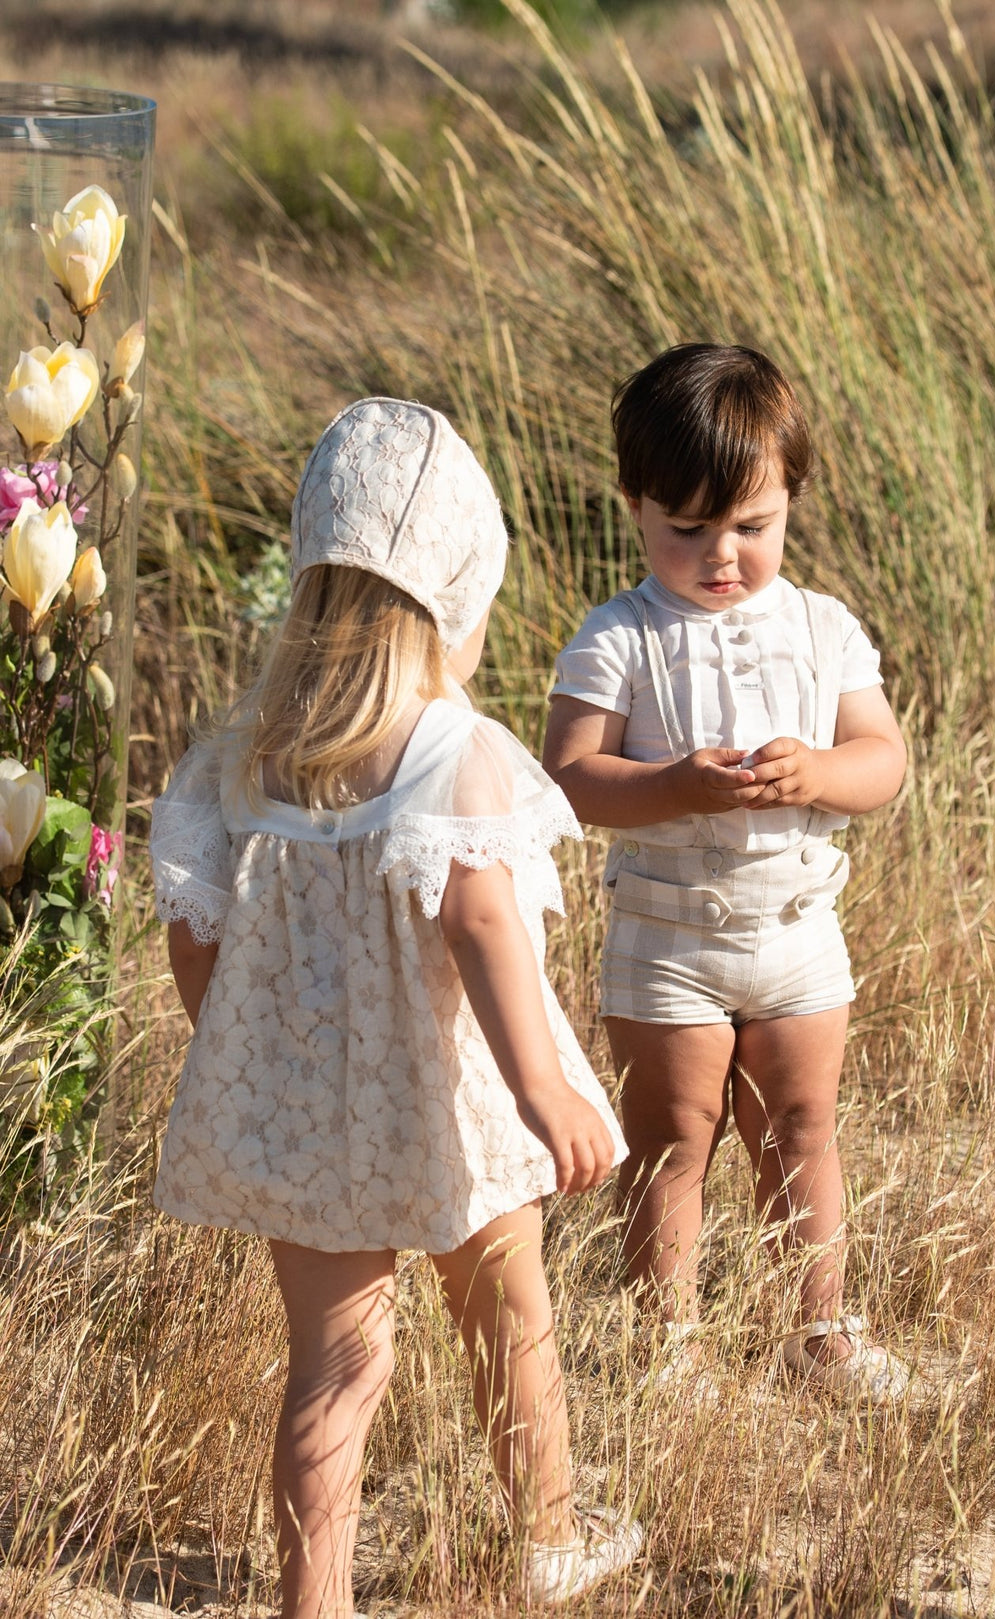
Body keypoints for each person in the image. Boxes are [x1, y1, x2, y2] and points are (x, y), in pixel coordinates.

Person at [150, 397, 642, 1617]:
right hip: (451, 1105)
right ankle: (549, 1535)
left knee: (333, 1364)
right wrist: (544, 1086)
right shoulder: (450, 753)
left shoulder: (238, 759)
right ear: (454, 604)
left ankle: (314, 1598)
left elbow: (195, 932)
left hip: (303, 1113)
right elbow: (482, 928)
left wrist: (243, 1055)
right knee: (507, 1305)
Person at [543, 344, 909, 1402]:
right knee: (671, 1138)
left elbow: (883, 760)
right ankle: (670, 1346)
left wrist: (823, 771)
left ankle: (823, 1332)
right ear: (634, 505)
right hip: (667, 936)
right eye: (686, 528)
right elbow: (572, 775)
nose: (721, 554)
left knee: (802, 1126)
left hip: (796, 923)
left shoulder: (822, 627)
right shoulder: (618, 635)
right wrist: (675, 787)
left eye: (752, 525)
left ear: (792, 495)